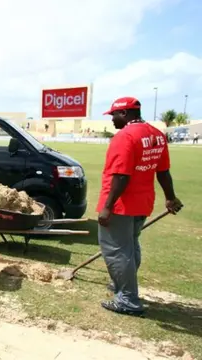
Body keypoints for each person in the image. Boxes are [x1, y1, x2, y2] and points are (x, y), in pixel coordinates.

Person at [98, 97, 183, 316]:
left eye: (114, 115)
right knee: (131, 246)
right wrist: (170, 198)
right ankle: (122, 286)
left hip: (121, 205)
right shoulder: (156, 135)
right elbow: (163, 172)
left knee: (117, 250)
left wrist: (108, 207)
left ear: (124, 114)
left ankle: (127, 300)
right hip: (143, 203)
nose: (112, 120)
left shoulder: (125, 136)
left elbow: (121, 176)